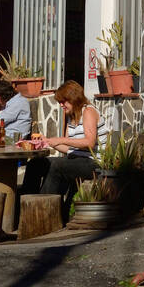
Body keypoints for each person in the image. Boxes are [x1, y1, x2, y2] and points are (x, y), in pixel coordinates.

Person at [21, 81, 106, 218]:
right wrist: (47, 141)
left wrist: (59, 139)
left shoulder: (88, 111)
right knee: (35, 164)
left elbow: (89, 142)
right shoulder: (71, 117)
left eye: (63, 102)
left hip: (93, 162)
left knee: (56, 166)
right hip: (76, 159)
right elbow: (68, 148)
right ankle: (25, 211)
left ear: (73, 98)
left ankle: (43, 214)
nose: (61, 105)